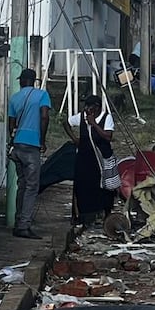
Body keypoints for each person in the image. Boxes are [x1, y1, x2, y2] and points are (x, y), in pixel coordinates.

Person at [7, 68, 51, 239]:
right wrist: (42, 140)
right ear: (33, 81)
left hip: (17, 145)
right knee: (32, 187)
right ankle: (23, 226)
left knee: (22, 185)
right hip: (32, 146)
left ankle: (19, 221)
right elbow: (45, 116)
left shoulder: (14, 98)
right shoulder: (42, 95)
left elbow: (11, 124)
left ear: (22, 81)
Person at [61, 95, 116, 226]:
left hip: (100, 157)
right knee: (82, 185)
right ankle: (81, 214)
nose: (86, 110)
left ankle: (104, 212)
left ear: (96, 108)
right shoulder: (81, 117)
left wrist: (94, 124)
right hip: (85, 157)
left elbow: (108, 136)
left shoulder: (106, 118)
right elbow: (66, 123)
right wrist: (75, 139)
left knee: (103, 186)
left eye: (89, 107)